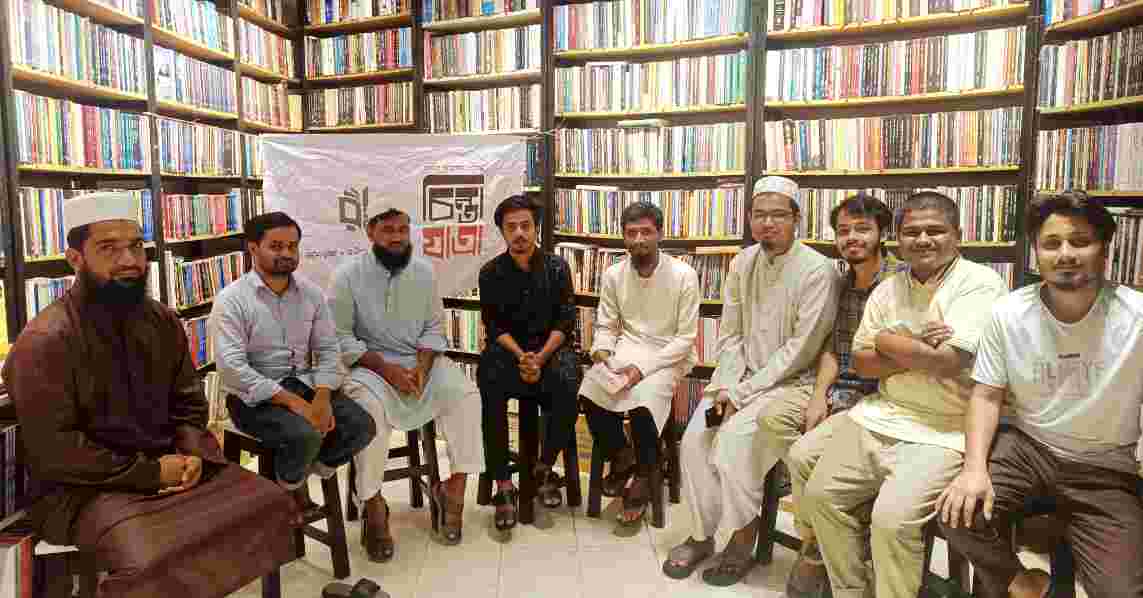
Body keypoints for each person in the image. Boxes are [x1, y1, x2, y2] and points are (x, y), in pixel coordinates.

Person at [2, 192, 297, 597]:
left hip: (171, 463)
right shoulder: (44, 341)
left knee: (272, 504)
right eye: (109, 248)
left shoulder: (160, 319)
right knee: (149, 561)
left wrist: (192, 454)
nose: (130, 260)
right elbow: (56, 450)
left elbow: (189, 403)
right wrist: (153, 473)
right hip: (83, 490)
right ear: (75, 259)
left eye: (136, 246)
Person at [802, 191, 1009, 598]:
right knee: (821, 496)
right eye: (912, 232)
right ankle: (850, 590)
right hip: (884, 413)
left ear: (958, 235)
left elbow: (949, 362)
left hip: (947, 428)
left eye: (935, 230)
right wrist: (916, 346)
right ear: (897, 238)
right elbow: (862, 362)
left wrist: (888, 340)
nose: (923, 239)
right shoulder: (889, 289)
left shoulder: (980, 284)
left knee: (891, 520)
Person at [936, 191, 1143, 598]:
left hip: (1105, 467)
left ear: (1104, 249)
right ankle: (1029, 586)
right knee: (957, 511)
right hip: (1029, 448)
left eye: (1080, 241)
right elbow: (986, 396)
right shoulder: (1009, 313)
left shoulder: (1136, 316)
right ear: (1036, 252)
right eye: (1051, 244)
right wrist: (974, 469)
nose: (1065, 254)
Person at [663, 176, 840, 586]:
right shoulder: (743, 262)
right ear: (748, 218)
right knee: (694, 441)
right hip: (737, 381)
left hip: (791, 386)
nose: (768, 223)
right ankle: (702, 535)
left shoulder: (819, 270)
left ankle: (743, 537)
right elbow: (731, 334)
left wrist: (742, 393)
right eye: (760, 214)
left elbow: (801, 349)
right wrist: (726, 387)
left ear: (797, 218)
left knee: (732, 446)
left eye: (778, 215)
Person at [330, 208, 485, 557]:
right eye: (388, 230)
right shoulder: (346, 275)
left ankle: (454, 491)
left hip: (419, 364)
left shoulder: (424, 272)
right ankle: (372, 502)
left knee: (465, 394)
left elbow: (434, 328)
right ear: (371, 232)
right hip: (368, 367)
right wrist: (387, 370)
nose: (397, 237)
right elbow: (340, 338)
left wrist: (423, 367)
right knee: (368, 411)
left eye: (403, 229)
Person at [783, 193, 906, 598]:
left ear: (882, 233)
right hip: (844, 396)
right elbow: (833, 349)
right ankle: (819, 544)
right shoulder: (840, 281)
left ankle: (824, 550)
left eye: (862, 229)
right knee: (798, 454)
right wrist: (819, 395)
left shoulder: (901, 283)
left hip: (883, 400)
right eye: (843, 230)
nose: (852, 237)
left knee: (811, 465)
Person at [212, 212, 376, 512]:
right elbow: (232, 368)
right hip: (252, 398)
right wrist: (296, 405)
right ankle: (289, 493)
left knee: (362, 426)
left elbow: (328, 349)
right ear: (253, 248)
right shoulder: (231, 300)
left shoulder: (312, 295)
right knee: (304, 434)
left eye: (292, 246)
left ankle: (299, 474)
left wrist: (323, 397)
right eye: (276, 246)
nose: (287, 253)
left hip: (304, 384)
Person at [579, 202, 700, 529]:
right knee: (590, 388)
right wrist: (602, 351)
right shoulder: (613, 274)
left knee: (645, 398)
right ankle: (623, 456)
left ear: (659, 233)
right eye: (631, 233)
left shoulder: (684, 275)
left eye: (646, 232)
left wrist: (641, 370)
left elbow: (685, 338)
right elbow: (607, 326)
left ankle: (646, 475)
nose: (638, 240)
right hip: (627, 349)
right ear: (623, 236)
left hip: (668, 355)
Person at [477, 195, 580, 533]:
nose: (519, 233)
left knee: (568, 378)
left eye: (526, 225)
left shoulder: (557, 267)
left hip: (549, 350)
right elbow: (495, 327)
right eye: (511, 227)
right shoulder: (490, 272)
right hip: (510, 353)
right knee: (488, 380)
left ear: (536, 228)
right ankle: (503, 484)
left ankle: (544, 467)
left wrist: (540, 357)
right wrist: (522, 356)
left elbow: (565, 322)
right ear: (502, 232)